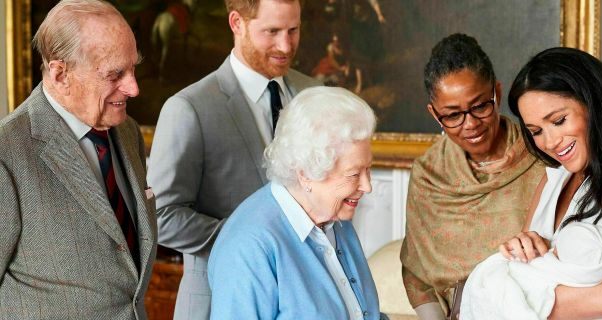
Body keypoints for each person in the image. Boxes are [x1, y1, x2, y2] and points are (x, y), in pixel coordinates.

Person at [146, 0, 320, 318]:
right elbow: (159, 216)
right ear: (236, 23)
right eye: (272, 31)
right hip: (218, 301)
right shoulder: (189, 108)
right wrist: (253, 240)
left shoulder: (314, 92)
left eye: (293, 30)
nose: (286, 45)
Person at [0, 0, 156, 319]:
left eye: (133, 68)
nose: (133, 88)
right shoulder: (7, 153)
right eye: (115, 74)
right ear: (60, 74)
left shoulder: (127, 133)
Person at [399, 33, 545, 320]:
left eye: (480, 106)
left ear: (497, 94)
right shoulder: (428, 175)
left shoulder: (541, 156)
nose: (470, 125)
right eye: (452, 115)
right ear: (434, 114)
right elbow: (417, 273)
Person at [207, 86, 384, 320]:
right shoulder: (249, 246)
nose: (367, 186)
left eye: (368, 170)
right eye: (353, 174)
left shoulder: (335, 217)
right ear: (306, 173)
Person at [501, 47, 602, 319]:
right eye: (536, 132)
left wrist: (507, 298)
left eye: (559, 120)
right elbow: (524, 271)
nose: (551, 142)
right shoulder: (553, 178)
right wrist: (522, 247)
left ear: (594, 102)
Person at [462, 222, 602, 319]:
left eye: (556, 251)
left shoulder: (547, 284)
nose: (552, 251)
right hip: (503, 270)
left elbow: (515, 309)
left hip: (502, 283)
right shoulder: (551, 179)